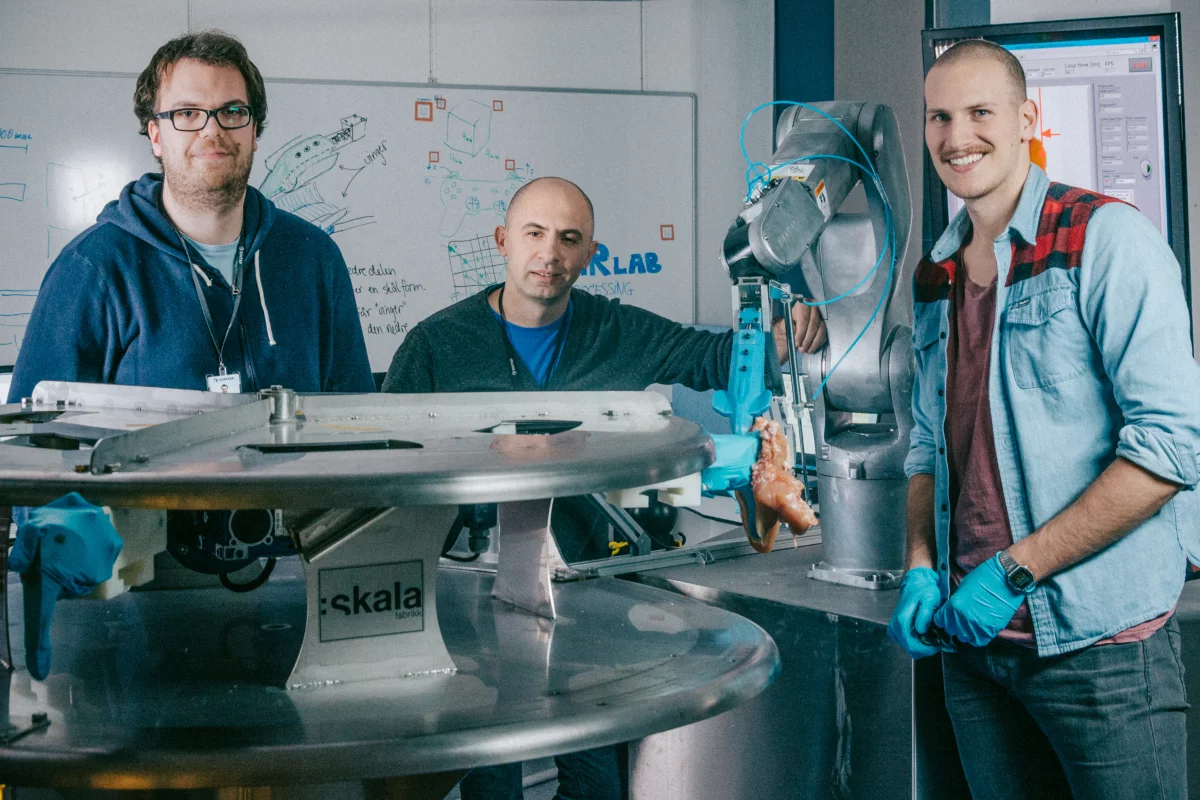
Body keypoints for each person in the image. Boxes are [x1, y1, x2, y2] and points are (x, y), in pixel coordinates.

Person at [383, 175, 826, 800]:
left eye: (569, 239)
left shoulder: (616, 330)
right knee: (492, 776)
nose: (550, 254)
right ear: (502, 241)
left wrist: (785, 327)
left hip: (590, 594)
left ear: (591, 253)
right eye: (534, 234)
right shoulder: (435, 345)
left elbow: (717, 356)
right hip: (471, 596)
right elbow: (390, 467)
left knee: (595, 782)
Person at [887, 39, 1200, 799]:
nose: (957, 137)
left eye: (980, 112)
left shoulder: (1105, 239)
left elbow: (1167, 451)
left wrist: (1017, 568)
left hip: (1100, 653)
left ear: (1028, 118)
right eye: (939, 117)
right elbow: (927, 443)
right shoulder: (936, 272)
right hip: (973, 645)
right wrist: (922, 563)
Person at [8, 29, 372, 401]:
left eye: (232, 111)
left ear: (255, 132)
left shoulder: (314, 257)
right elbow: (36, 439)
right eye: (187, 113)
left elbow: (356, 421)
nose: (212, 130)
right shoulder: (92, 269)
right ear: (156, 135)